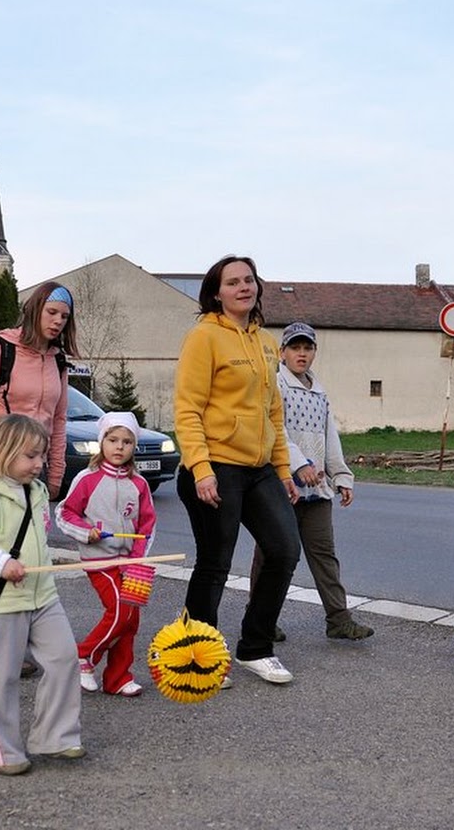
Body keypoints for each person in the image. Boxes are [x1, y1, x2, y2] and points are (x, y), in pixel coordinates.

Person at [174, 255, 301, 685]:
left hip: (260, 467)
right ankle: (197, 653)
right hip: (215, 466)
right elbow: (187, 409)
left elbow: (273, 413)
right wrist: (201, 468)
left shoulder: (266, 342)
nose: (244, 287)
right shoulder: (203, 337)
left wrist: (284, 470)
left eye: (249, 280)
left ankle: (255, 648)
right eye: (234, 282)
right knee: (215, 563)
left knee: (284, 550)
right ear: (216, 292)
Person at [0, 414, 84, 776]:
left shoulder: (37, 492)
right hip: (3, 602)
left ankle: (55, 737)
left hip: (44, 596)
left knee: (65, 659)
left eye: (42, 456)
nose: (39, 464)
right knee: (0, 678)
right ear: (5, 453)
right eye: (31, 456)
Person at [253, 322, 373, 641]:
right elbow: (273, 429)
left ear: (314, 352)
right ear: (283, 353)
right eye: (295, 348)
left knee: (324, 555)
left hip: (317, 490)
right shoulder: (274, 385)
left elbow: (329, 436)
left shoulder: (319, 392)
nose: (301, 354)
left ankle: (338, 619)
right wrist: (297, 463)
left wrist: (342, 476)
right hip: (280, 485)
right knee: (273, 554)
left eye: (307, 348)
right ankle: (261, 620)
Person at [56, 411, 157, 697]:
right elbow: (64, 513)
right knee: (120, 611)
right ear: (102, 442)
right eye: (113, 440)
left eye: (127, 441)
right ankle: (83, 655)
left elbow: (147, 525)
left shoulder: (139, 484)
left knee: (131, 620)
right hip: (99, 561)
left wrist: (138, 558)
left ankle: (118, 678)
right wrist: (85, 532)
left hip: (130, 563)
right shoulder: (87, 479)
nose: (119, 447)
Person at [0, 281, 78, 503]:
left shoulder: (57, 360)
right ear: (34, 310)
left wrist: (56, 472)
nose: (58, 320)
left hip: (34, 467)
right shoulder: (0, 349)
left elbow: (58, 420)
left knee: (31, 536)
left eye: (64, 316)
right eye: (51, 312)